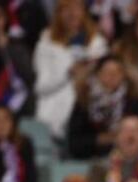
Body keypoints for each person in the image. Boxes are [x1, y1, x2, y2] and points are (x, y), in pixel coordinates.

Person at [33, 0, 109, 139]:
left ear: (83, 11)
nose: (72, 13)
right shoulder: (46, 44)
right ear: (58, 13)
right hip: (54, 121)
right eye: (66, 9)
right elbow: (41, 87)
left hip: (88, 119)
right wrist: (68, 73)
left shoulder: (97, 44)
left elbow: (107, 83)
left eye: (76, 8)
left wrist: (89, 71)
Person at [68, 56, 138, 160]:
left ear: (124, 76)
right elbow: (75, 143)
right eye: (107, 72)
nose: (112, 76)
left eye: (117, 72)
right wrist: (101, 139)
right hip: (92, 160)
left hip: (129, 159)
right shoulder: (84, 102)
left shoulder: (134, 102)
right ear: (98, 75)